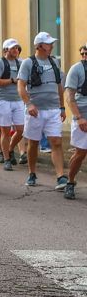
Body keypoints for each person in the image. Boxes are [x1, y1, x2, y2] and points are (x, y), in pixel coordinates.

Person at [17, 32, 67, 189]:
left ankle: (60, 177)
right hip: (35, 111)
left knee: (56, 142)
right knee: (33, 143)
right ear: (39, 46)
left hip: (53, 109)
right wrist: (29, 104)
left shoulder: (55, 63)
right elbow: (21, 85)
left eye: (51, 43)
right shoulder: (28, 63)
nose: (51, 46)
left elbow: (59, 86)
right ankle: (32, 173)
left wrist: (62, 106)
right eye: (48, 44)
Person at [0, 39, 25, 171]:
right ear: (6, 50)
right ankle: (6, 159)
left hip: (17, 99)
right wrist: (11, 80)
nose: (16, 50)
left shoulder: (21, 63)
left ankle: (10, 149)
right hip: (3, 99)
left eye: (17, 48)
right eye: (13, 48)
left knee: (21, 130)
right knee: (5, 131)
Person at [62, 43, 87, 199]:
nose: (85, 55)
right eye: (83, 53)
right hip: (82, 115)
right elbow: (69, 98)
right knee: (81, 152)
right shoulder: (76, 69)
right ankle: (70, 182)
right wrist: (79, 118)